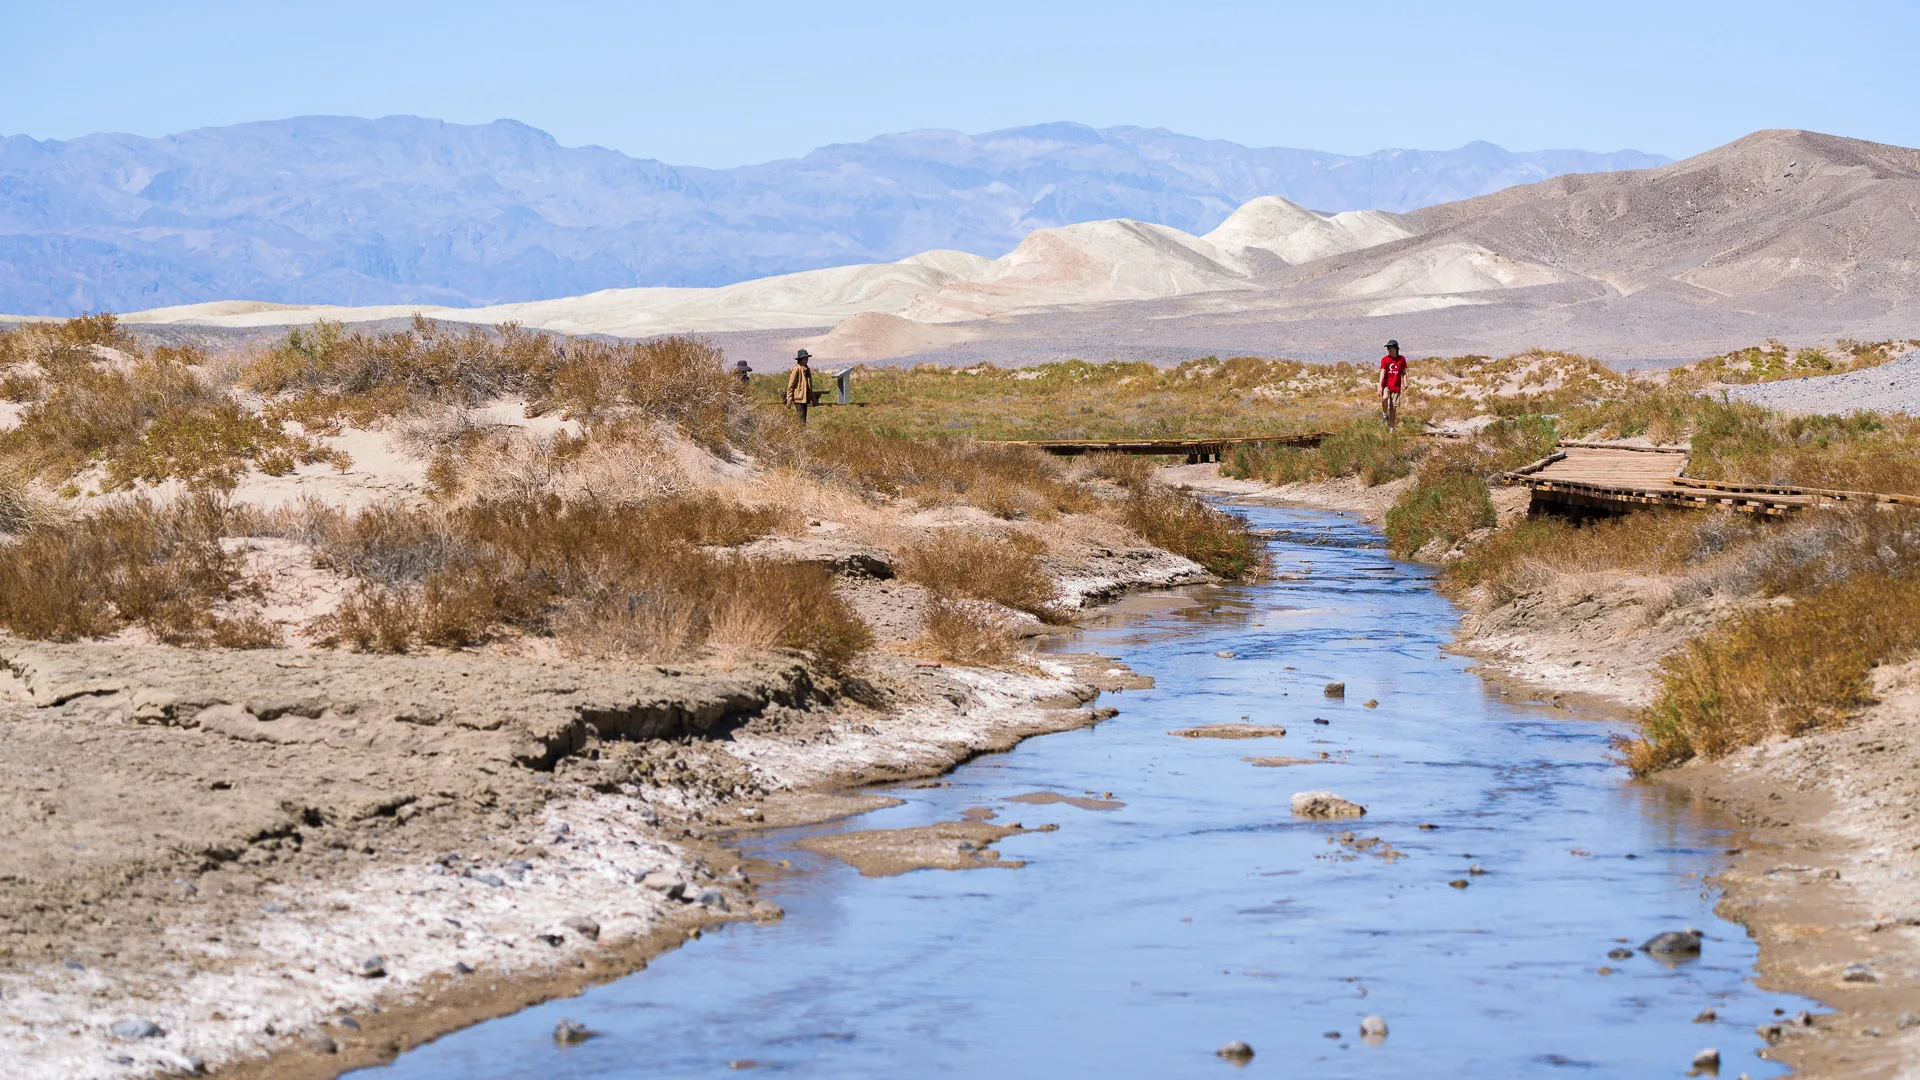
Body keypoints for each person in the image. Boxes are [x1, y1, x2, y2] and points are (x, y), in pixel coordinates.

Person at [1378, 339, 1407, 431]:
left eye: (1391, 347)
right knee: (1384, 398)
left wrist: (1406, 382)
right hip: (1386, 385)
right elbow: (1382, 373)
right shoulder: (1385, 359)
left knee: (1393, 408)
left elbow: (1404, 372)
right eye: (1388, 348)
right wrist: (1380, 386)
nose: (1389, 350)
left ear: (1396, 348)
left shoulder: (1401, 359)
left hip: (1396, 386)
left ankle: (1392, 427)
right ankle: (1384, 414)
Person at [784, 349, 815, 424]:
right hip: (798, 398)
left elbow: (808, 387)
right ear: (801, 359)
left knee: (803, 420)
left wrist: (813, 398)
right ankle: (799, 434)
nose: (807, 360)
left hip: (804, 398)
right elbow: (790, 386)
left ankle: (802, 434)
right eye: (805, 358)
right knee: (800, 421)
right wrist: (789, 400)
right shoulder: (796, 369)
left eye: (807, 358)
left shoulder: (807, 369)